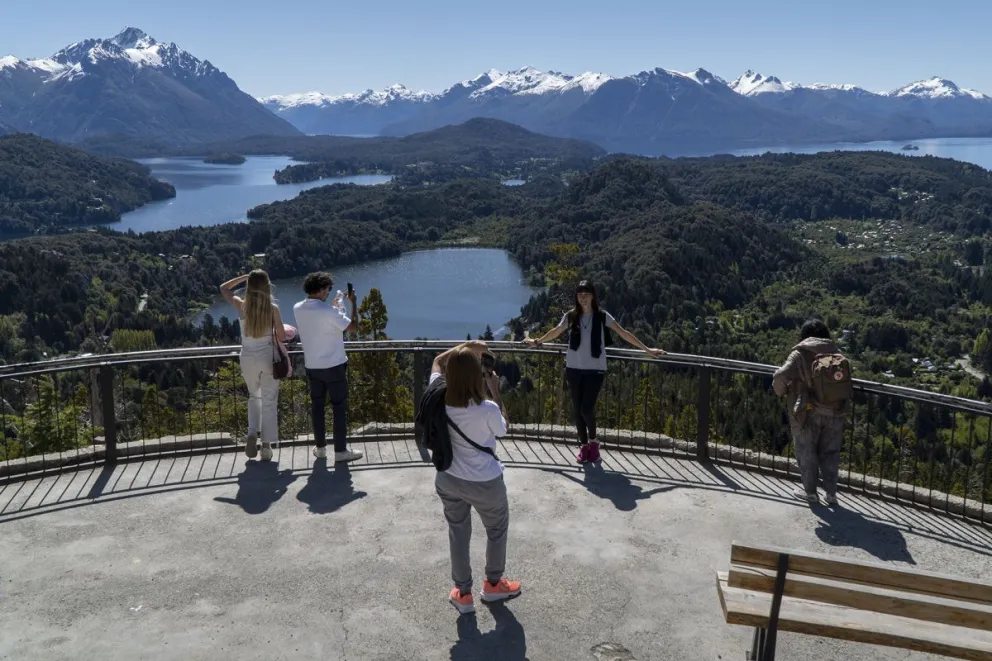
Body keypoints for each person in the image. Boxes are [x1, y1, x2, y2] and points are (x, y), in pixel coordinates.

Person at [423, 341, 521, 614]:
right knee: (496, 531)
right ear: (477, 375)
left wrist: (464, 347)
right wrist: (496, 393)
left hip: (449, 478)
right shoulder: (488, 409)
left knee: (458, 532)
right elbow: (503, 430)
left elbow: (436, 363)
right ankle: (492, 585)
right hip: (486, 483)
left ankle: (463, 594)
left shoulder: (437, 396)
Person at [523, 280, 666, 464]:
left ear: (593, 296)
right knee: (577, 410)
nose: (582, 298)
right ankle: (584, 447)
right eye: (580, 294)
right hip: (574, 368)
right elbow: (556, 331)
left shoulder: (602, 316)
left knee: (586, 409)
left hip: (595, 369)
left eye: (586, 294)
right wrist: (537, 341)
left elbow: (623, 333)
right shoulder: (571, 316)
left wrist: (647, 350)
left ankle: (594, 442)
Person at [772, 319, 851, 506]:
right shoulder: (836, 352)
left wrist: (781, 391)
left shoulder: (800, 354)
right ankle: (831, 494)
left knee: (806, 452)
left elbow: (780, 376)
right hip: (836, 412)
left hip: (808, 412)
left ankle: (810, 493)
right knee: (830, 453)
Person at [293, 272, 363, 463]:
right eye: (328, 289)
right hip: (334, 366)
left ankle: (321, 449)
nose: (328, 292)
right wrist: (353, 303)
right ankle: (340, 451)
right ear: (322, 289)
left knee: (317, 407)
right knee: (339, 407)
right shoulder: (328, 312)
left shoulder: (298, 308)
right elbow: (353, 327)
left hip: (312, 366)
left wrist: (331, 307)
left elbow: (319, 321)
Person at [219, 270, 288, 461]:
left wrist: (243, 278)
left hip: (247, 356)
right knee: (269, 399)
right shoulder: (272, 308)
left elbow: (224, 288)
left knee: (253, 396)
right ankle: (266, 446)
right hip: (267, 354)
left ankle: (251, 433)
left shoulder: (242, 306)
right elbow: (281, 337)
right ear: (267, 286)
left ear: (249, 286)